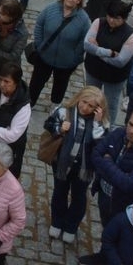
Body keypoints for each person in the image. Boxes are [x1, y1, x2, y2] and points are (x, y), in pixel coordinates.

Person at [43, 86, 108, 243]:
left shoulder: (102, 123)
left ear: (98, 109)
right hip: (62, 163)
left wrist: (98, 125)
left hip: (84, 168)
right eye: (84, 102)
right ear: (79, 98)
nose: (85, 107)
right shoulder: (64, 112)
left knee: (79, 198)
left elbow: (102, 145)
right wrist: (60, 128)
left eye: (91, 106)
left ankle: (71, 226)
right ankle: (57, 221)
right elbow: (48, 125)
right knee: (59, 192)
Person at [28, 0, 92, 107]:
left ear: (79, 0)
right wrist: (40, 45)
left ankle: (55, 106)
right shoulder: (50, 9)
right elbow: (39, 25)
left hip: (66, 62)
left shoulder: (84, 19)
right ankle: (29, 104)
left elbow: (83, 41)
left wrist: (75, 58)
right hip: (44, 56)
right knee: (36, 83)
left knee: (60, 86)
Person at [83, 0, 133, 126]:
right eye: (110, 16)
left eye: (117, 18)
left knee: (110, 104)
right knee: (89, 98)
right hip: (93, 70)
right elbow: (86, 45)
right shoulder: (99, 22)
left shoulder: (130, 35)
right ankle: (87, 121)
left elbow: (121, 61)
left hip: (114, 77)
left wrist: (97, 51)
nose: (111, 20)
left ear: (124, 19)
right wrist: (110, 53)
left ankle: (108, 127)